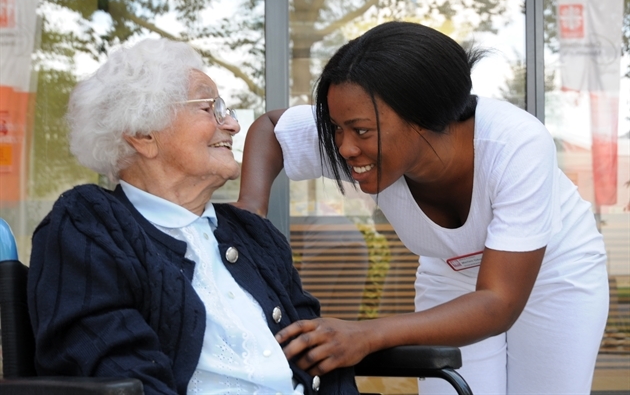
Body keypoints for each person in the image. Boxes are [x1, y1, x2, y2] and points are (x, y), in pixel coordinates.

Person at [237, 21, 609, 394]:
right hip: (450, 274)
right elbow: (272, 130)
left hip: (553, 273)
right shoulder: (361, 134)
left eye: (361, 131)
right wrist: (249, 217)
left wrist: (367, 334)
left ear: (425, 116)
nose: (345, 148)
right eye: (336, 128)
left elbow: (499, 301)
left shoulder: (515, 145)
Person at [27, 38, 358, 395]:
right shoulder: (89, 226)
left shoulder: (252, 235)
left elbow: (321, 358)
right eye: (209, 108)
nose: (232, 124)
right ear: (142, 134)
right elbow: (113, 370)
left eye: (225, 109)